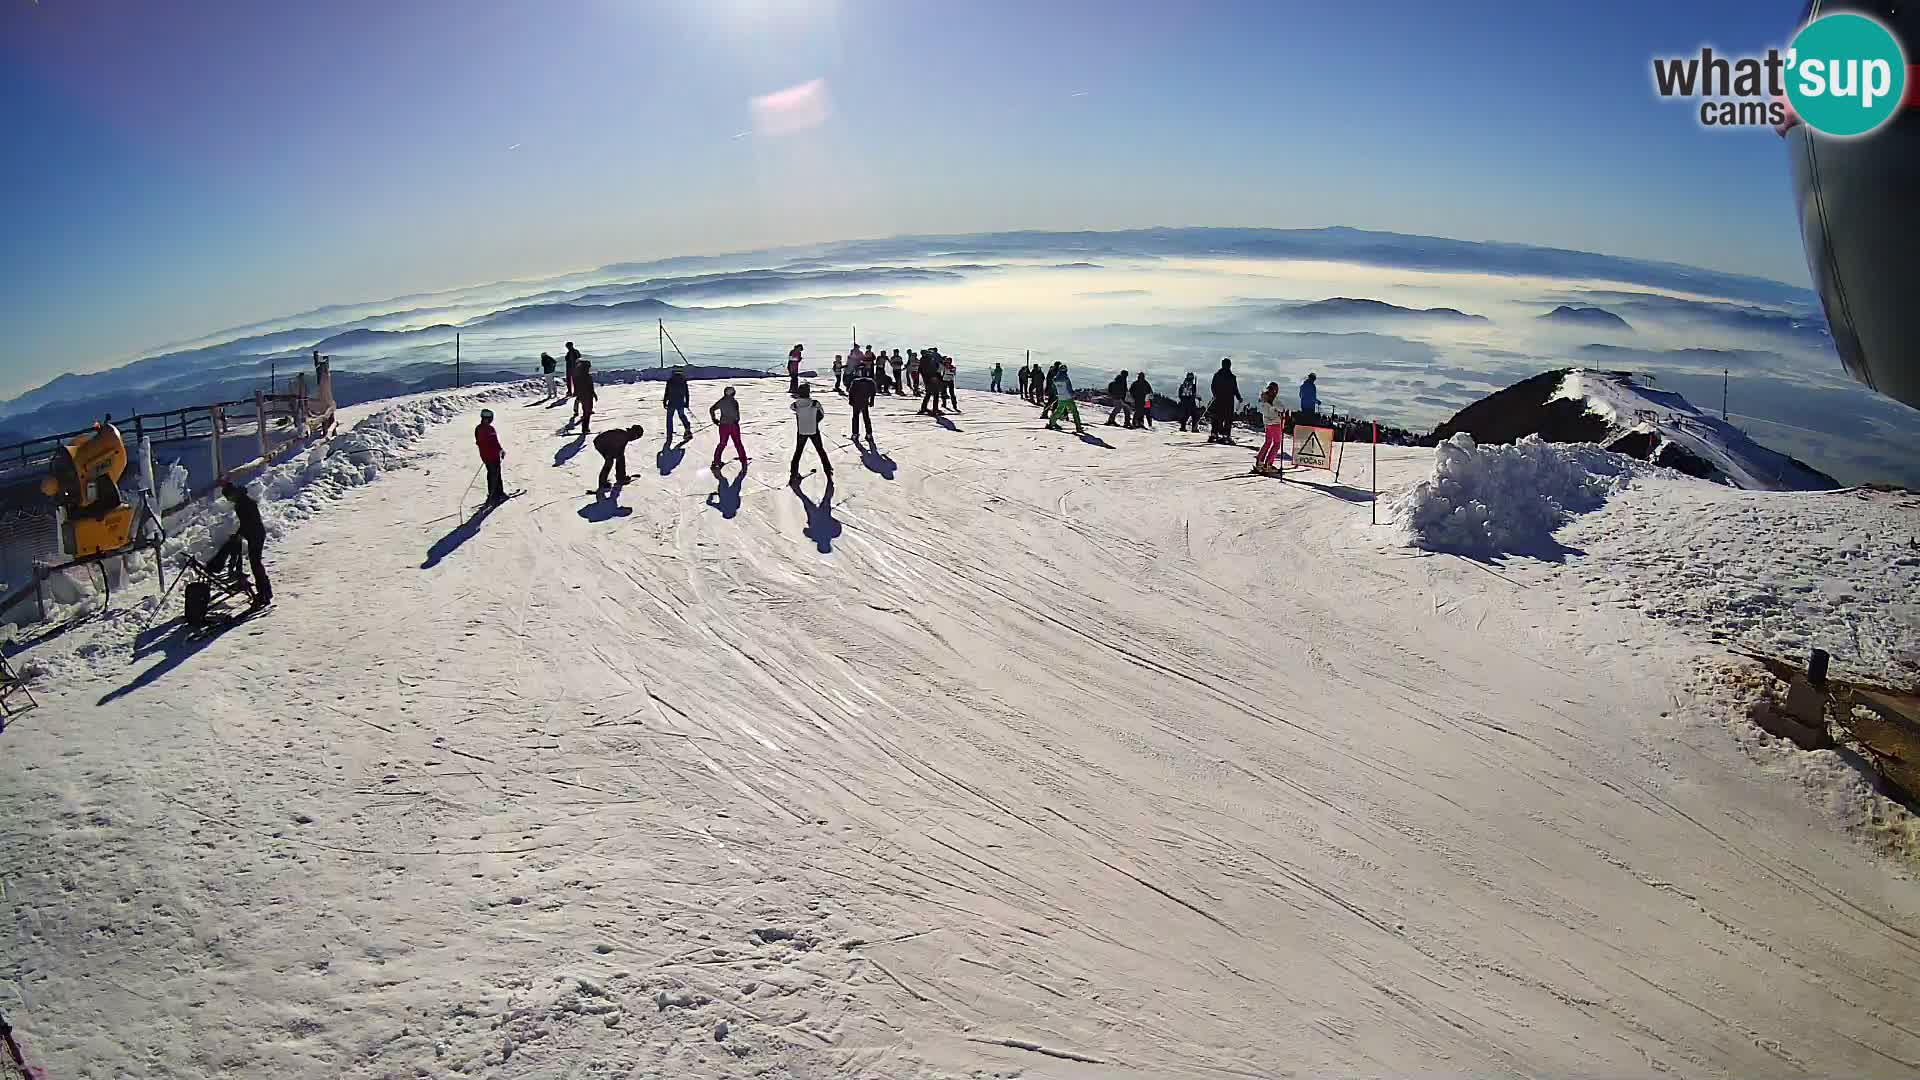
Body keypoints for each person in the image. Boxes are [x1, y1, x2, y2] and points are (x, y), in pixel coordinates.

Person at [206, 480, 271, 604]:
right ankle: (219, 565)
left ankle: (265, 593)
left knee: (256, 564)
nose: (229, 500)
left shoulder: (246, 503)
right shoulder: (241, 502)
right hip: (251, 533)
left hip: (256, 535)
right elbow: (245, 523)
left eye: (229, 497)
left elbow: (250, 521)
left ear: (234, 493)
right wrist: (239, 534)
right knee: (234, 544)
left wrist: (240, 534)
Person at [789, 383, 832, 483]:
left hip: (801, 431)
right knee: (820, 450)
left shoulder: (795, 405)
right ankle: (828, 469)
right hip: (813, 430)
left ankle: (793, 473)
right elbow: (821, 414)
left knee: (798, 452)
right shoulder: (815, 403)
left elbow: (792, 407)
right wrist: (815, 421)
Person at [593, 423, 645, 489]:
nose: (635, 439)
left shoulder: (626, 435)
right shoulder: (624, 436)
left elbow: (620, 451)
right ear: (634, 434)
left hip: (604, 442)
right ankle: (603, 483)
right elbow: (615, 448)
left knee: (619, 457)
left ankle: (620, 477)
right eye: (637, 437)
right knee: (609, 461)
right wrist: (615, 455)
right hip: (602, 443)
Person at [475, 407, 508, 505]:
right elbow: (494, 442)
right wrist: (500, 450)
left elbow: (479, 442)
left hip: (485, 456)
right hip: (492, 456)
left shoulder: (478, 428)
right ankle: (497, 495)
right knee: (496, 475)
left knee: (491, 474)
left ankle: (493, 494)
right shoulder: (489, 429)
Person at [710, 386, 747, 468]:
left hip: (723, 426)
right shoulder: (734, 402)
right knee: (738, 443)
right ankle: (743, 459)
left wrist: (714, 419)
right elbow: (737, 416)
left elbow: (712, 409)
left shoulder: (722, 401)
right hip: (733, 426)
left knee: (722, 444)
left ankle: (716, 461)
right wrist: (735, 421)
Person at [1255, 383, 1288, 475]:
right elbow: (1282, 409)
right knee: (1277, 444)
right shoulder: (1273, 400)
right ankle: (1268, 464)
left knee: (1268, 442)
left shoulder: (1263, 398)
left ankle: (1259, 461)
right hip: (1275, 423)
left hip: (1267, 423)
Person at [1209, 357, 1241, 444]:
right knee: (1227, 418)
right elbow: (1235, 389)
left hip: (1218, 400)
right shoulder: (1232, 377)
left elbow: (1213, 386)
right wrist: (1239, 397)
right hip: (1228, 401)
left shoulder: (1217, 375)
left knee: (1217, 417)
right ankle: (1225, 435)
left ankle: (1214, 434)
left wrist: (1215, 394)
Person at [1045, 364, 1084, 432]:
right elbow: (1069, 388)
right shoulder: (1066, 378)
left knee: (1058, 411)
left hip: (1061, 397)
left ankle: (1051, 424)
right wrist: (1073, 394)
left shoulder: (1055, 379)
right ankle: (1078, 427)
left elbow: (1054, 388)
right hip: (1068, 397)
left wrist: (1057, 394)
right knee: (1074, 412)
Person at [848, 357, 878, 443]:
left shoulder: (855, 381)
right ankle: (868, 434)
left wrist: (850, 400)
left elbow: (851, 392)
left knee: (856, 417)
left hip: (857, 402)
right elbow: (873, 392)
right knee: (866, 417)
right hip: (864, 401)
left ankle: (855, 434)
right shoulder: (870, 381)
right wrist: (872, 400)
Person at [663, 365, 693, 441]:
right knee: (682, 416)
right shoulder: (683, 381)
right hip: (680, 402)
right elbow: (687, 393)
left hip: (671, 402)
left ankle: (669, 435)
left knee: (669, 418)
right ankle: (687, 429)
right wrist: (687, 403)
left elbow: (667, 392)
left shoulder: (670, 380)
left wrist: (664, 401)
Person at [575, 360, 597, 432]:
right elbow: (590, 387)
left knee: (586, 411)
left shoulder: (580, 376)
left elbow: (578, 387)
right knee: (586, 412)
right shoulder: (586, 376)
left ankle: (585, 427)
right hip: (587, 396)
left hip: (586, 395)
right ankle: (585, 428)